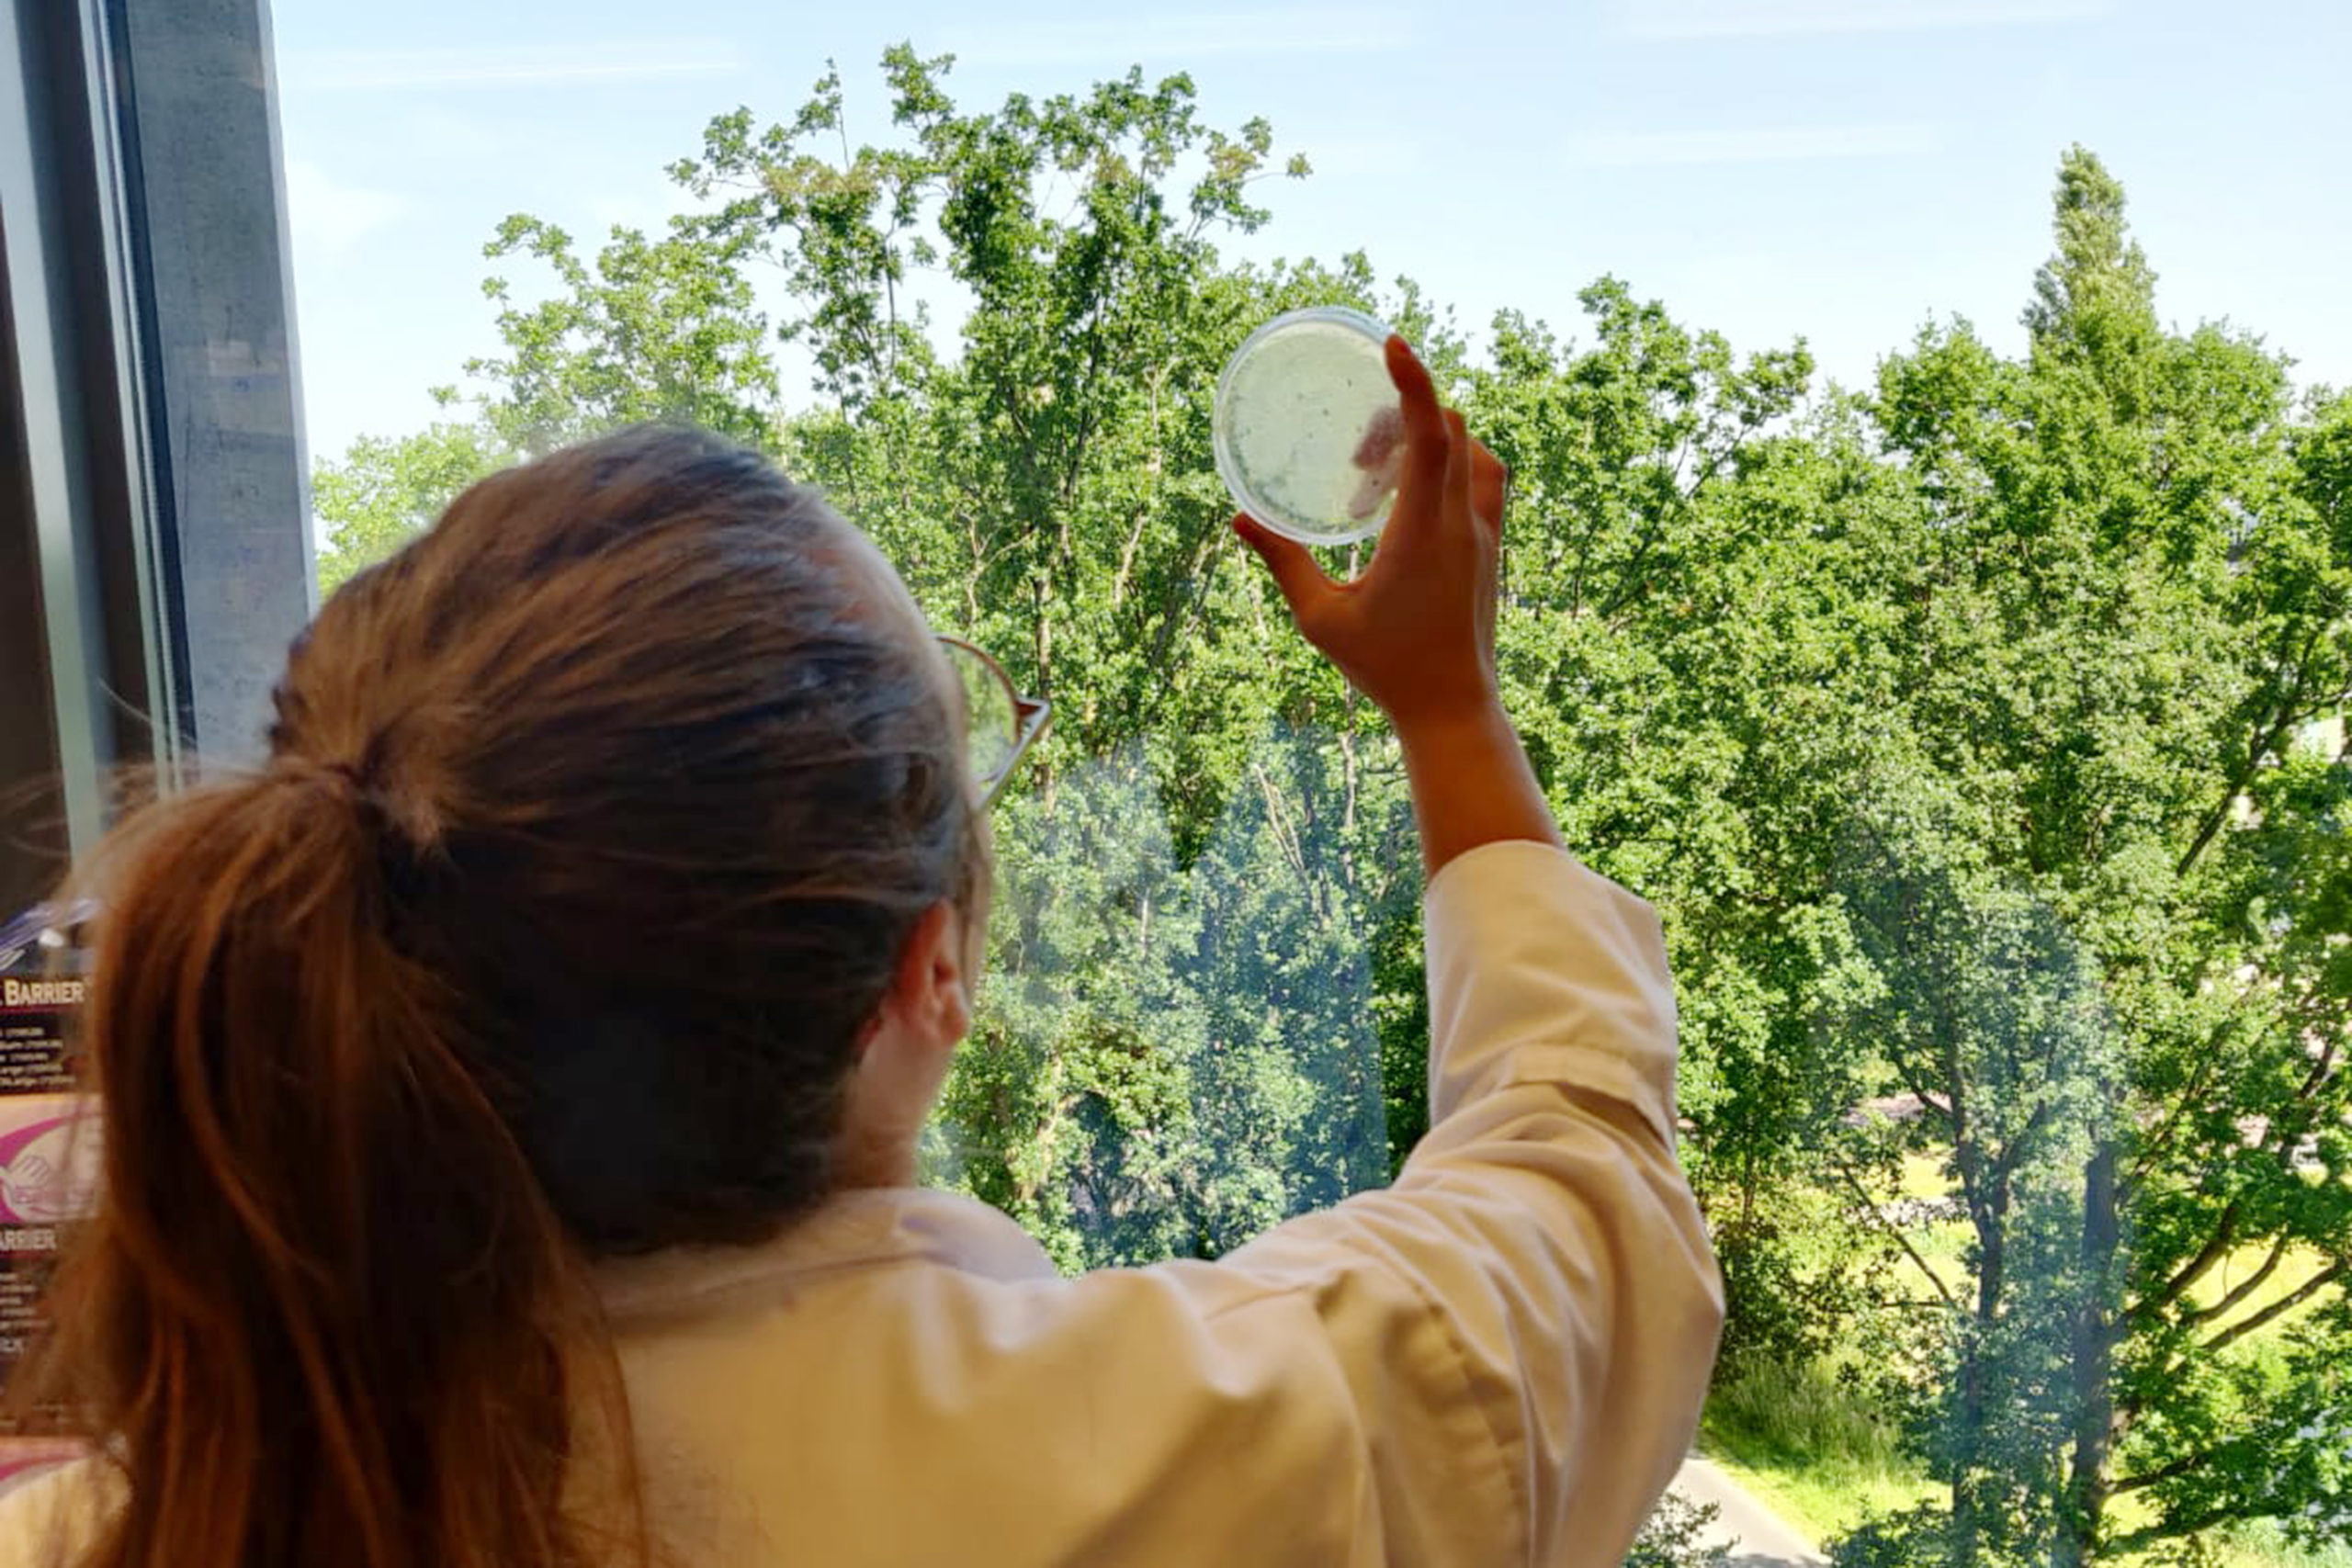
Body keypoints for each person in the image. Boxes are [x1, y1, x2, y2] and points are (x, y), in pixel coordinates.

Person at [0, 339, 1720, 1567]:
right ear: (930, 972)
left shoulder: (114, 1523)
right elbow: (1581, 1196)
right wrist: (1447, 707)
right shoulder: (1213, 1464)